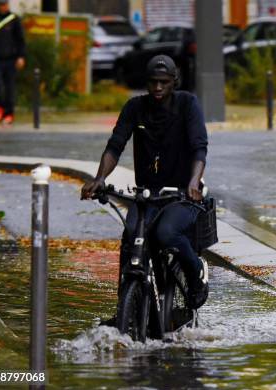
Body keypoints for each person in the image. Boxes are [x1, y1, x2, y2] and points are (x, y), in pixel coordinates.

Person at [81, 55, 209, 310]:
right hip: (147, 195)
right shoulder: (134, 107)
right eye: (153, 82)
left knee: (166, 234)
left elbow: (199, 148)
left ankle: (197, 276)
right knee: (132, 238)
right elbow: (115, 146)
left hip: (181, 195)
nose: (158, 88)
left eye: (164, 82)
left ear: (174, 81)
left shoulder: (188, 104)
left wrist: (193, 182)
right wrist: (100, 178)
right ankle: (124, 308)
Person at [0, 0, 26, 125]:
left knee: (9, 88)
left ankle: (9, 113)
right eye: (0, 4)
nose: (2, 7)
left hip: (11, 59)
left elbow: (20, 40)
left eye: (4, 4)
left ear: (7, 5)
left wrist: (21, 57)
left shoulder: (14, 20)